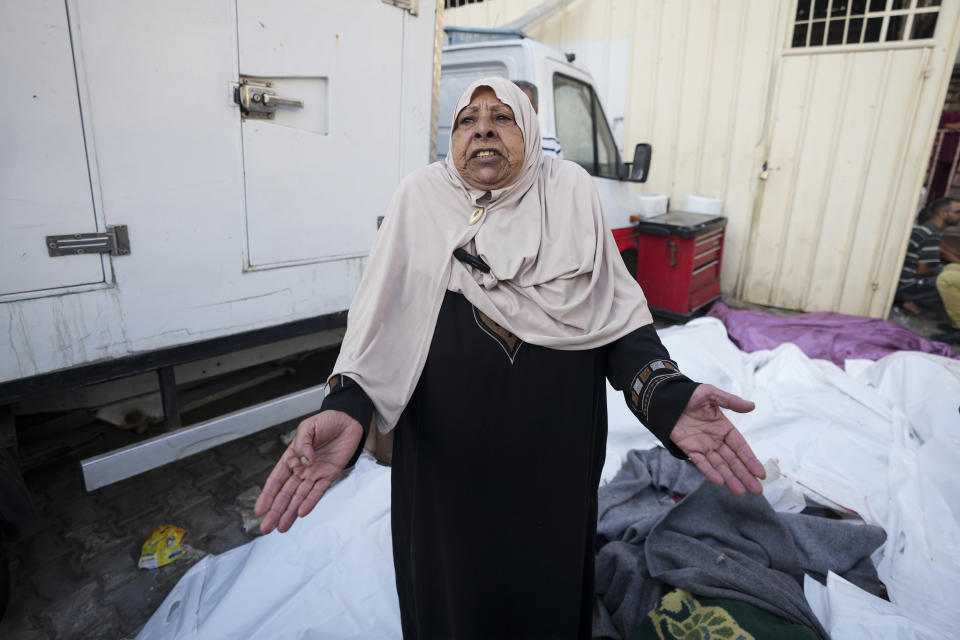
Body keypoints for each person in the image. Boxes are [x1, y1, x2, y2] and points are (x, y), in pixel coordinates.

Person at [255, 77, 765, 639]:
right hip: (444, 469)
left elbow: (616, 317)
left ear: (530, 128)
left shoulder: (568, 192)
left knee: (544, 593)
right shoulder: (419, 199)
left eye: (502, 118)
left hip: (554, 464)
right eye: (467, 121)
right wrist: (347, 406)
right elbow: (380, 322)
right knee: (451, 595)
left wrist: (666, 395)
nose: (483, 131)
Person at [896, 197, 960, 314]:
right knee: (949, 282)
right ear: (943, 213)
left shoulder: (928, 228)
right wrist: (940, 274)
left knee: (945, 270)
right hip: (907, 287)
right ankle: (912, 302)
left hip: (901, 283)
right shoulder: (932, 234)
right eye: (957, 212)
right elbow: (922, 271)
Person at [512, 79, 564, 159]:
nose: (517, 111)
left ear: (535, 110)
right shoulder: (494, 143)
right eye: (512, 105)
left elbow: (560, 171)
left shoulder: (551, 144)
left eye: (524, 106)